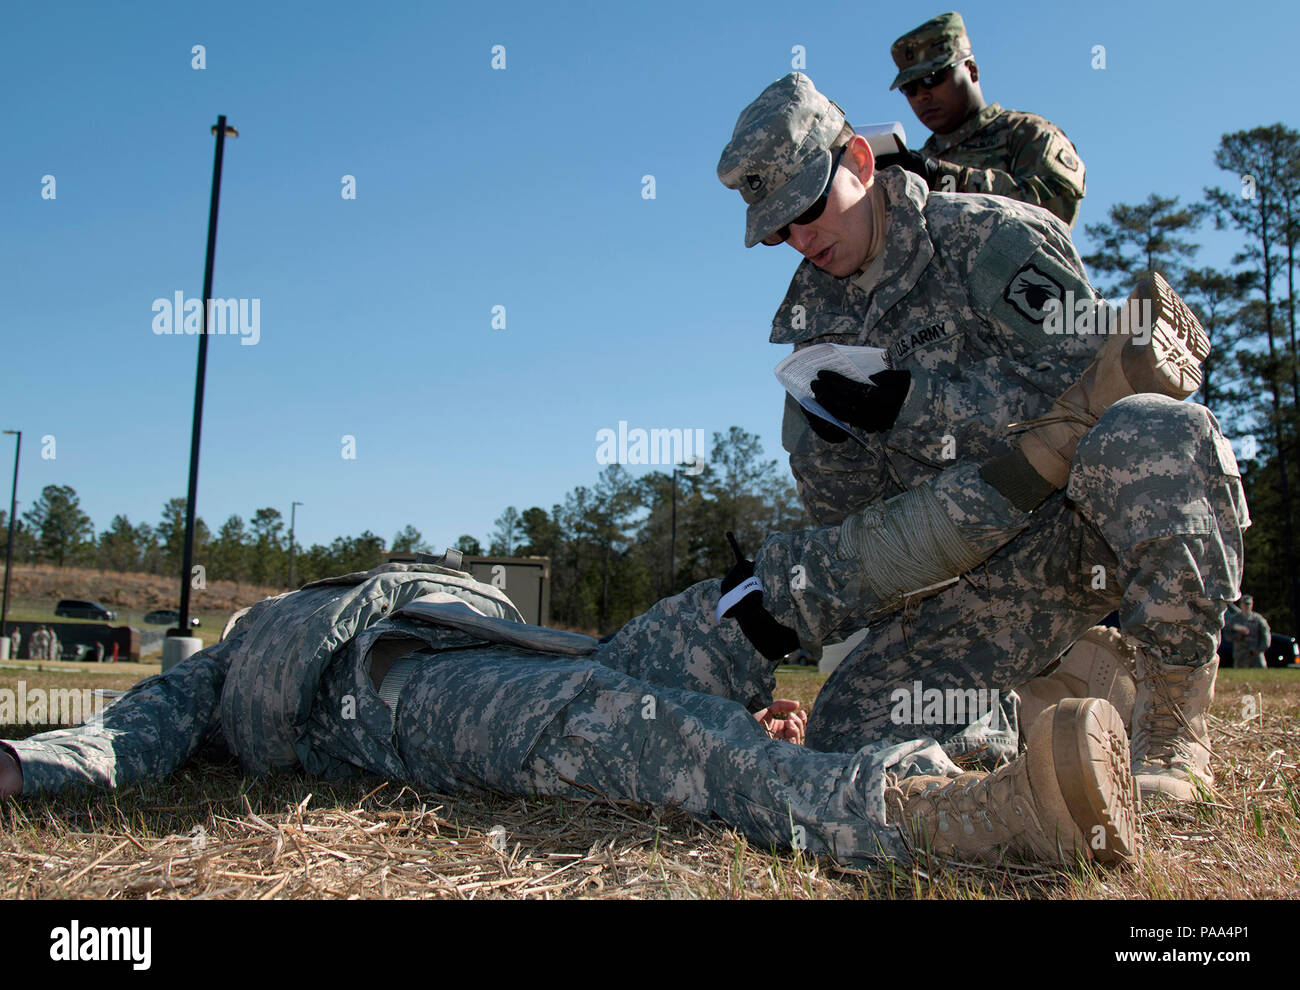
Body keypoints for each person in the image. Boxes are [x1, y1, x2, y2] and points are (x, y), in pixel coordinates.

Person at [716, 72, 1245, 803]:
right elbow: (857, 528)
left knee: (1153, 433)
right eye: (780, 230)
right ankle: (1056, 686)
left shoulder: (991, 238)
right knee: (848, 727)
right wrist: (833, 462)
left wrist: (918, 406)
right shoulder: (814, 327)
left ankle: (1171, 725)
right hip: (975, 585)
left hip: (1078, 531)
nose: (802, 240)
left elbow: (1090, 393)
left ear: (861, 164)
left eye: (809, 207)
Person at [0, 555, 1141, 868]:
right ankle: (955, 817)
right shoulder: (239, 653)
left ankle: (987, 718)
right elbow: (123, 739)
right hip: (391, 706)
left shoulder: (399, 582)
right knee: (621, 732)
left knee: (728, 608)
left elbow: (551, 648)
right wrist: (22, 771)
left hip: (541, 652)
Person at [874, 12, 1086, 228]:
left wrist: (943, 178)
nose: (921, 95)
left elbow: (1054, 211)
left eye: (932, 78)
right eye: (909, 88)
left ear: (972, 70)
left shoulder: (1026, 133)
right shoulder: (917, 164)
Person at [1227, 595, 1270, 669]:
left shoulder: (1258, 619)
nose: (1246, 606)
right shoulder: (1234, 620)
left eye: (1248, 604)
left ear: (1252, 604)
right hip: (1240, 654)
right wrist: (1239, 634)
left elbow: (1266, 635)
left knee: (1260, 673)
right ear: (1241, 605)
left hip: (1255, 652)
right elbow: (1227, 636)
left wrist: (1261, 648)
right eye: (1245, 604)